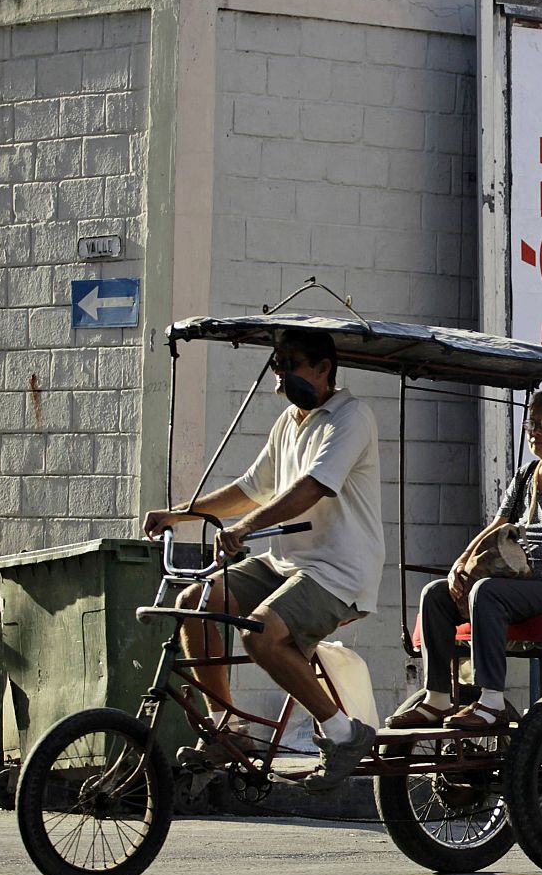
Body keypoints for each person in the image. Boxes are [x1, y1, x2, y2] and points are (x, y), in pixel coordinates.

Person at [142, 328, 383, 791]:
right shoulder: (289, 422)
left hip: (338, 571)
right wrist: (182, 513)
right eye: (276, 363)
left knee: (260, 634)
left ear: (323, 369)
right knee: (196, 602)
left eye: (288, 363)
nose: (279, 373)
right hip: (286, 565)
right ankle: (226, 731)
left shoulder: (350, 417)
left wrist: (247, 527)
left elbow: (313, 487)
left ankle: (343, 733)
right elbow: (252, 488)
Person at [388, 389, 542, 729]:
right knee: (436, 594)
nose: (535, 432)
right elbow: (498, 525)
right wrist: (460, 565)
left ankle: (491, 700)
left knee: (488, 592)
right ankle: (437, 697)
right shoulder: (525, 476)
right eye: (530, 424)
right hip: (530, 583)